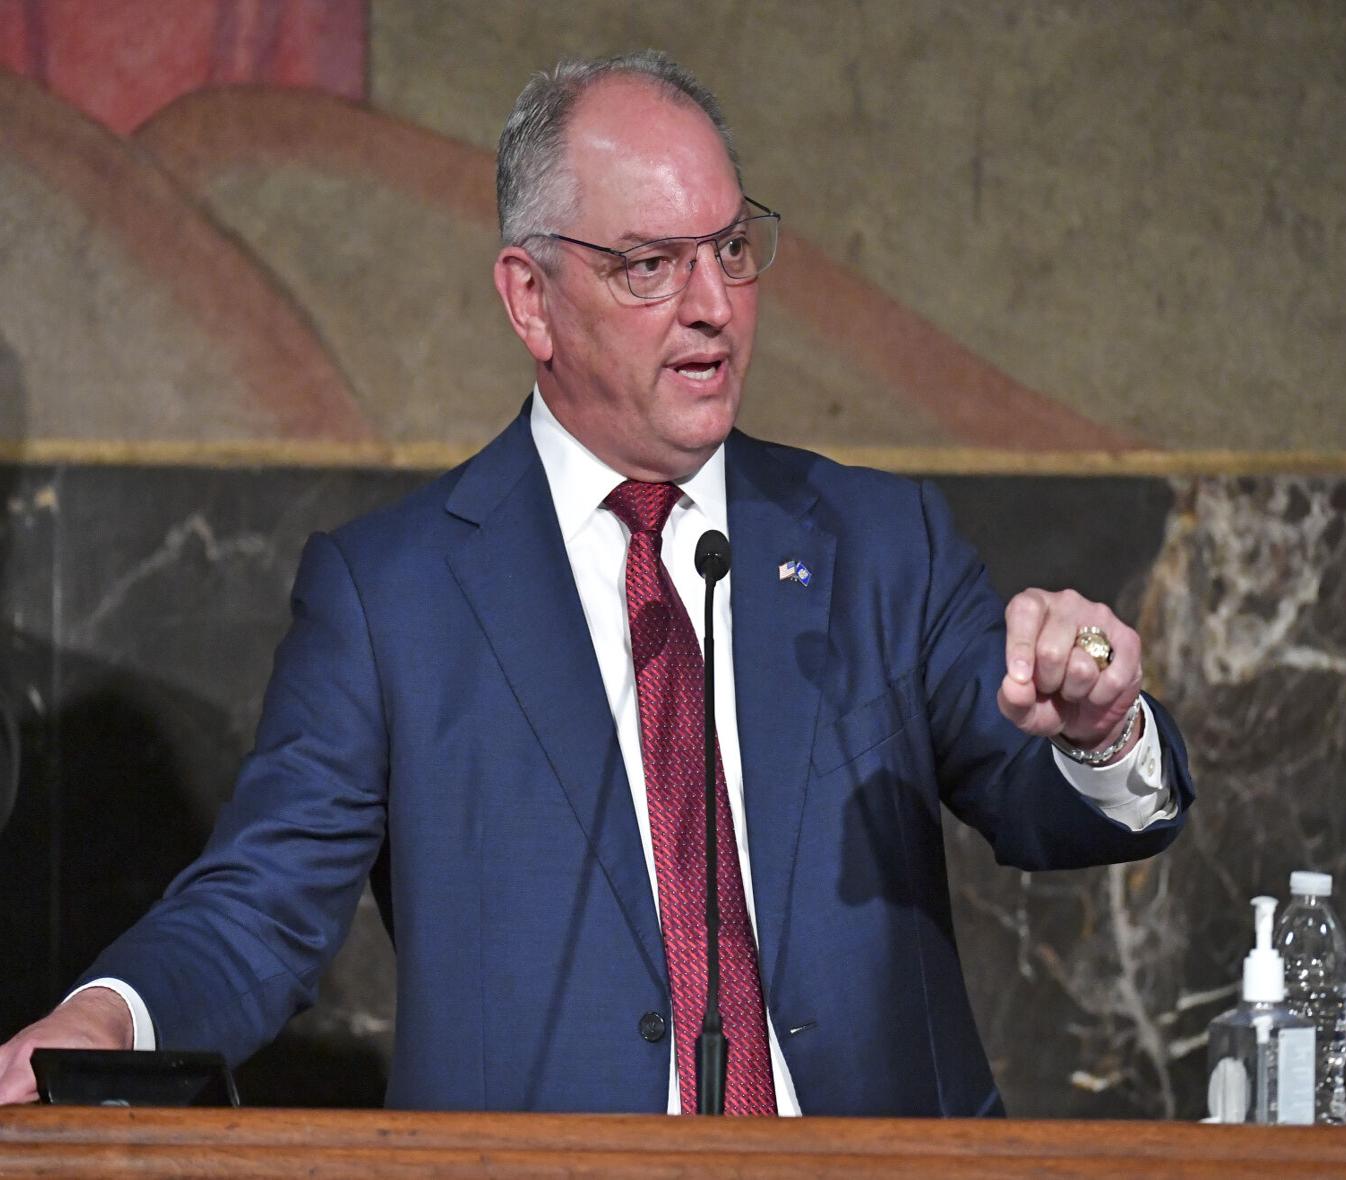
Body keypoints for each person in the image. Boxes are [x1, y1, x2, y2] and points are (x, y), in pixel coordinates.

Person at [0, 50, 1193, 1115]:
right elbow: (260, 905)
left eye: (731, 249)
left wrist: (1101, 723)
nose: (713, 306)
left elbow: (1034, 798)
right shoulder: (393, 596)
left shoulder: (879, 542)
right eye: (649, 266)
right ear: (531, 299)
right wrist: (107, 1018)